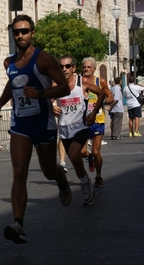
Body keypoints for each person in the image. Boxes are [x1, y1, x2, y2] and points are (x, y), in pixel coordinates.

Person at [0, 15, 71, 244]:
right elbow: (11, 83)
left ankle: (61, 180)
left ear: (32, 33)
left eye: (25, 31)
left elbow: (64, 87)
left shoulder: (44, 59)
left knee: (47, 171)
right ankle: (19, 224)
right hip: (20, 124)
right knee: (19, 172)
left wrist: (41, 94)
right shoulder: (9, 63)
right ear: (13, 34)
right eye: (16, 32)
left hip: (43, 123)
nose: (20, 35)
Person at [53, 55, 104, 205]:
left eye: (67, 66)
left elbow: (101, 94)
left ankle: (84, 185)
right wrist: (52, 106)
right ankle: (86, 182)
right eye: (61, 67)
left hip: (80, 127)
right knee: (75, 160)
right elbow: (47, 100)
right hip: (64, 129)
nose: (64, 69)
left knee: (75, 154)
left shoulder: (84, 82)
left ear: (73, 68)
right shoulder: (56, 85)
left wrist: (94, 112)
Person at [80, 57, 113, 188]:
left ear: (94, 69)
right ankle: (89, 158)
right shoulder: (79, 82)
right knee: (82, 152)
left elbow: (110, 96)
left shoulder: (101, 81)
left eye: (89, 67)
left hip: (97, 120)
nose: (86, 69)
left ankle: (98, 176)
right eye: (84, 67)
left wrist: (103, 102)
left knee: (96, 151)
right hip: (82, 121)